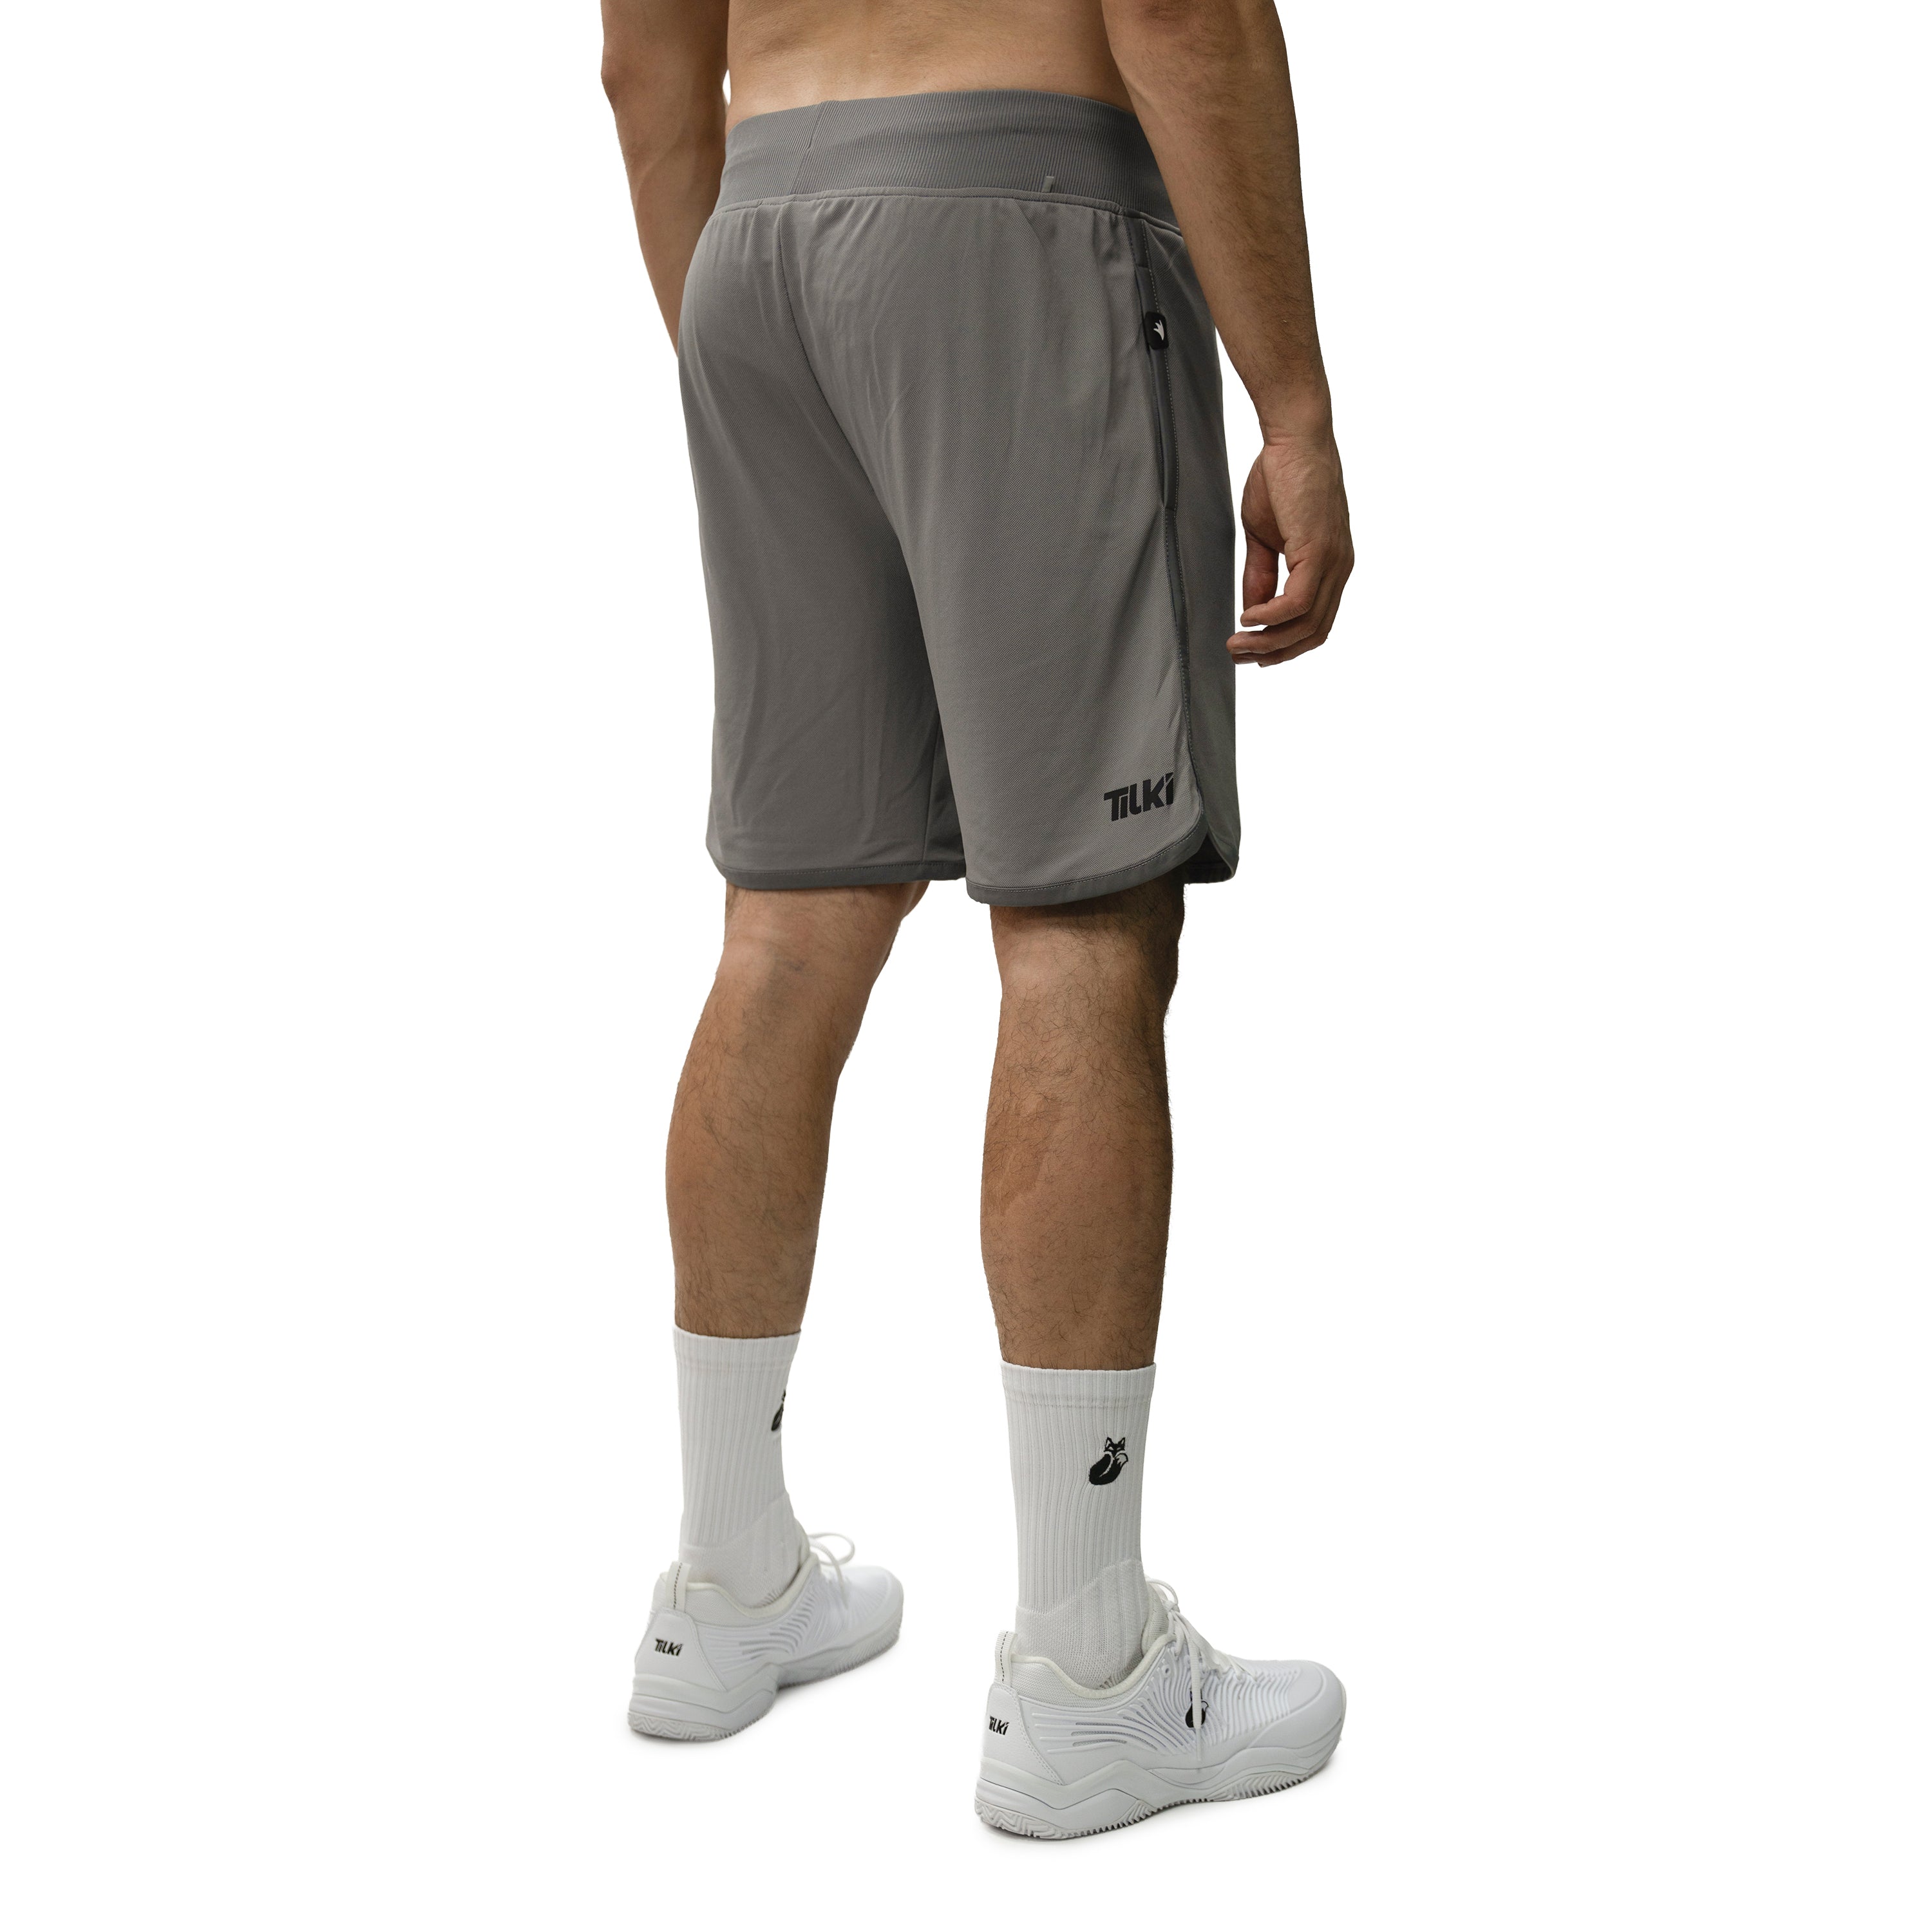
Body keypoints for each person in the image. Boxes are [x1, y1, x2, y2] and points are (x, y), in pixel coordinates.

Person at [601, 0, 1354, 1837]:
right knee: (1085, 920)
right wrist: (1297, 403)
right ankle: (1091, 1681)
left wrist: (755, 345)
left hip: (756, 245)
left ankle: (728, 1587)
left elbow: (643, 63)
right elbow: (1179, 11)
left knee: (789, 924)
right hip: (1017, 225)